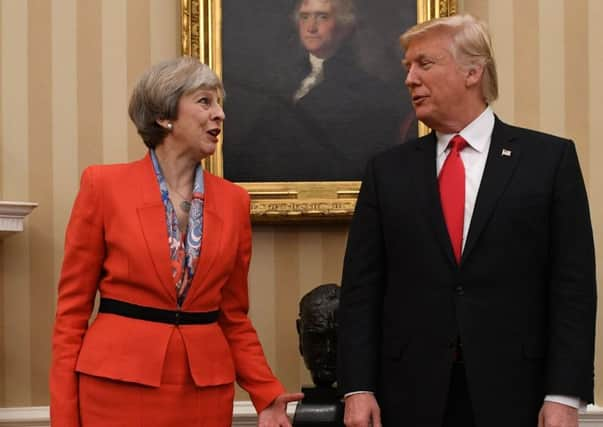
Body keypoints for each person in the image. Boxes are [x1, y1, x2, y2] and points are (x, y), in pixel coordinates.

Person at [337, 14, 596, 427]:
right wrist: (357, 388)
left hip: (517, 393)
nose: (410, 79)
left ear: (472, 71)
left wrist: (564, 394)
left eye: (424, 63)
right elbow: (361, 290)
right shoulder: (387, 171)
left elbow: (573, 288)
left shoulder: (548, 161)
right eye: (407, 67)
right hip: (408, 394)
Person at [49, 57, 302, 427]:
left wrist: (265, 393)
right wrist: (65, 418)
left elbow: (232, 317)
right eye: (205, 101)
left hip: (204, 393)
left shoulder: (234, 202)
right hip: (115, 388)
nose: (220, 115)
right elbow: (70, 317)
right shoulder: (103, 186)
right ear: (164, 116)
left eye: (220, 104)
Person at [224, 0, 408, 182]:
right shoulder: (282, 77)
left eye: (322, 17)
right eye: (305, 17)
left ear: (344, 26)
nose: (311, 27)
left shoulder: (366, 89)